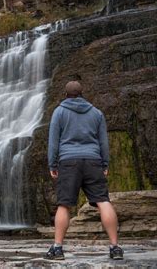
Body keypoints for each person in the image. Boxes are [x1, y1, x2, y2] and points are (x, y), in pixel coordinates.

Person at [45, 81, 123, 260]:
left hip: (68, 161)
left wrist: (52, 164)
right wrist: (105, 164)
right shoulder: (96, 113)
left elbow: (53, 141)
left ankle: (57, 249)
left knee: (64, 204)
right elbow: (103, 141)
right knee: (103, 201)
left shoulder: (59, 112)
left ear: (65, 94)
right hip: (93, 160)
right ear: (82, 94)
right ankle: (115, 247)